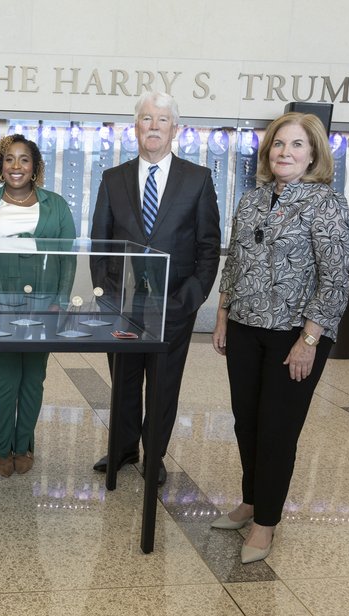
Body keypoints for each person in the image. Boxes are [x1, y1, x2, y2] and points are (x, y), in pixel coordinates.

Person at [210, 112, 349, 564]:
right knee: (246, 422)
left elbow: (335, 279)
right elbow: (233, 263)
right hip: (247, 328)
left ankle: (266, 522)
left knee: (276, 430)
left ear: (313, 155)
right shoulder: (252, 200)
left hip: (296, 334)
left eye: (296, 146)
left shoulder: (327, 204)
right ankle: (251, 500)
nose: (285, 153)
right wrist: (222, 316)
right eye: (278, 145)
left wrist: (309, 340)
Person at [90, 91, 221, 486]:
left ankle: (154, 454)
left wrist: (190, 300)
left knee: (163, 384)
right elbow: (100, 244)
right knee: (124, 381)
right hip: (123, 305)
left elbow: (208, 247)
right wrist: (105, 295)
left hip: (174, 305)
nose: (153, 126)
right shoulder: (113, 179)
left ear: (175, 129)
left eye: (162, 120)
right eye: (146, 119)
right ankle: (124, 447)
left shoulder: (197, 180)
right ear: (135, 127)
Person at [0, 135, 76, 477]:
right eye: (9, 159)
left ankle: (24, 445)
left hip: (42, 306)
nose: (16, 166)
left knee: (33, 379)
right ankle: (1, 450)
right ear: (0, 167)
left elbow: (68, 258)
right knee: (4, 381)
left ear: (35, 167)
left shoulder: (56, 205)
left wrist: (60, 301)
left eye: (24, 159)